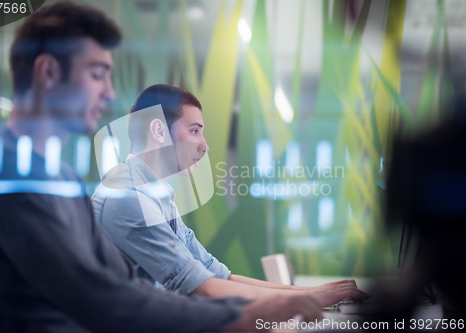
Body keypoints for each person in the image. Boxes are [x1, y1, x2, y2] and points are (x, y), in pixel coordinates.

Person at [0, 2, 325, 332]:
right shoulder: (4, 172)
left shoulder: (63, 178)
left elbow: (124, 286)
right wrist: (238, 316)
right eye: (97, 73)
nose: (108, 93)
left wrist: (274, 304)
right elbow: (101, 298)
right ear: (47, 71)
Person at [91, 84, 369, 306]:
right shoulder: (127, 196)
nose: (205, 146)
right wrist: (308, 298)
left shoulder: (156, 192)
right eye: (194, 130)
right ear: (159, 130)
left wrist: (310, 293)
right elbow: (200, 288)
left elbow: (215, 274)